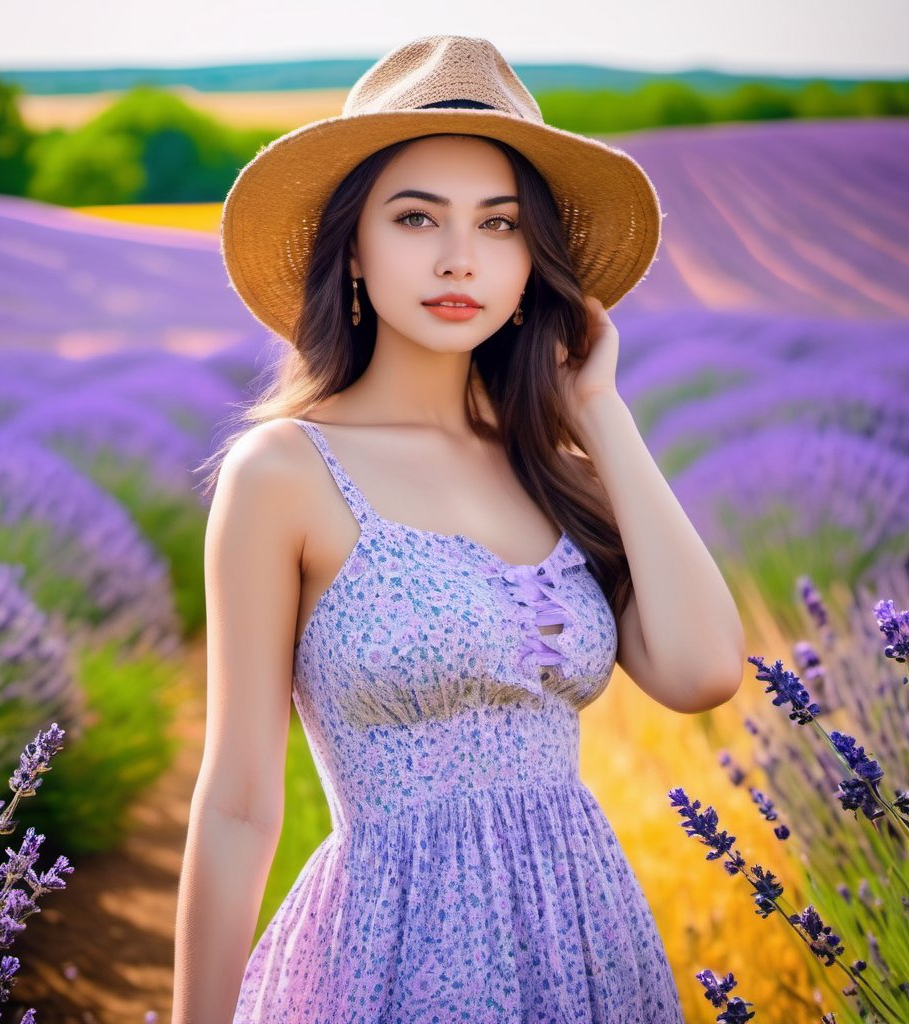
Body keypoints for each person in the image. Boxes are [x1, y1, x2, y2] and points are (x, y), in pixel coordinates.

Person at [173, 34, 745, 1024]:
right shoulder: (285, 474)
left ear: (535, 261)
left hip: (584, 943)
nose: (457, 259)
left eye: (499, 224)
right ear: (351, 244)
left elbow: (702, 671)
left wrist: (601, 415)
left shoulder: (558, 474)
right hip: (390, 955)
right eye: (414, 218)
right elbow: (235, 805)